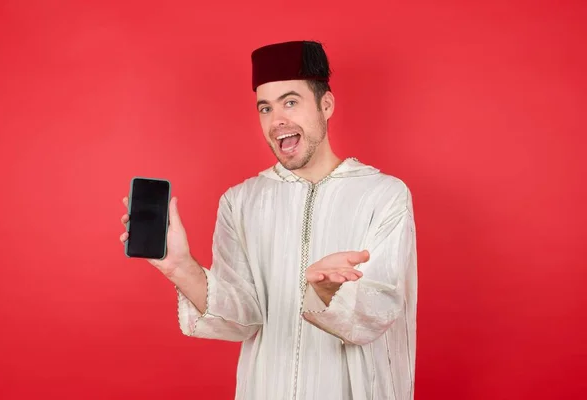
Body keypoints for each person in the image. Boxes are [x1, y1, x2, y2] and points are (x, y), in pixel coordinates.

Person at [120, 40, 418, 400]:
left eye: (290, 102)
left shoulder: (383, 194)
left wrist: (326, 291)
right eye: (265, 108)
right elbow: (240, 319)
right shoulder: (240, 201)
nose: (277, 120)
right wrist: (181, 267)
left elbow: (382, 308)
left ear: (326, 105)